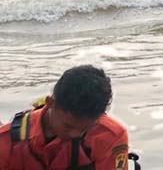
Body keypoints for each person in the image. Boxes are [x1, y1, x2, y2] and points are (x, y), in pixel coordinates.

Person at [0, 65, 131, 170]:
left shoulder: (109, 136)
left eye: (85, 129)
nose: (75, 134)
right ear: (50, 103)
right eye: (69, 126)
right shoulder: (6, 142)